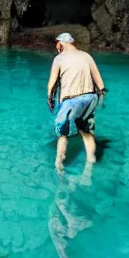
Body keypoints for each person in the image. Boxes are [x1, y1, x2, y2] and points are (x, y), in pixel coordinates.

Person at [47, 32, 107, 171]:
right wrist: (102, 93)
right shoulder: (86, 56)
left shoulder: (59, 58)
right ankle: (90, 162)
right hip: (90, 98)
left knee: (63, 135)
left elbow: (52, 82)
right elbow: (98, 78)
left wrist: (50, 98)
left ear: (61, 43)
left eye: (57, 44)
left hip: (71, 101)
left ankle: (59, 165)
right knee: (86, 132)